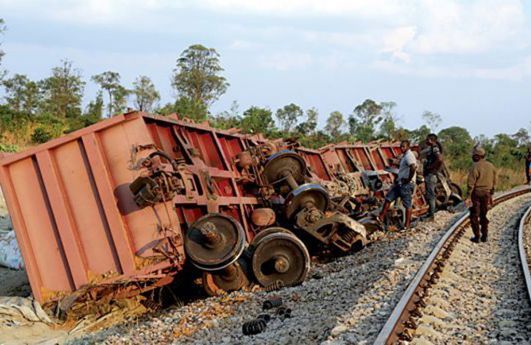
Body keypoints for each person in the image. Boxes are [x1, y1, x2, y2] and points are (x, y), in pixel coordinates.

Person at [378, 140, 417, 230]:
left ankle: (407, 225)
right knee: (388, 198)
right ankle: (381, 217)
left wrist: (408, 179)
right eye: (401, 146)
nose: (402, 148)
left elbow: (413, 167)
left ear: (408, 147)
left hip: (406, 184)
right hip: (400, 183)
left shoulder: (409, 156)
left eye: (403, 146)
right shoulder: (405, 156)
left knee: (407, 205)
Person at [466, 146, 496, 243]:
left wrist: (468, 197)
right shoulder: (491, 166)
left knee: (474, 215)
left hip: (476, 193)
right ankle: (485, 235)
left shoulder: (474, 167)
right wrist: (491, 194)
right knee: (484, 215)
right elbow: (494, 181)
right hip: (487, 193)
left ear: (478, 156)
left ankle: (477, 236)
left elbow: (471, 183)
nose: (473, 157)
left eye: (474, 155)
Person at [423, 133, 444, 221]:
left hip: (431, 174)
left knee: (430, 195)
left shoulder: (435, 148)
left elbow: (439, 159)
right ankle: (430, 213)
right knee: (430, 194)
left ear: (431, 140)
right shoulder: (432, 148)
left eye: (427, 139)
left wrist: (431, 167)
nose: (426, 141)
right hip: (431, 174)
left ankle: (431, 216)